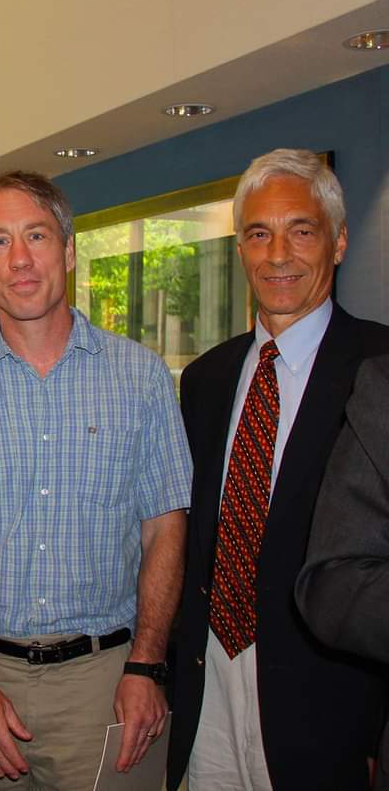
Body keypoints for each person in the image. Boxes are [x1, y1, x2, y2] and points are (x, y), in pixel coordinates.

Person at [0, 170, 192, 790]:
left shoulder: (141, 379)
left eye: (36, 235)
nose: (20, 259)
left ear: (70, 249)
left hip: (105, 683)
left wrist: (148, 665)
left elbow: (166, 529)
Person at [168, 148, 389, 790]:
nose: (278, 255)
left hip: (329, 706)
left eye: (301, 230)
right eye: (259, 234)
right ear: (240, 248)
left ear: (339, 242)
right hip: (212, 685)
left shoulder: (380, 367)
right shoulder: (207, 379)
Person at [296, 353, 389, 790]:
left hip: (331, 708)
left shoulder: (365, 348)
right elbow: (335, 581)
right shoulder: (208, 376)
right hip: (224, 682)